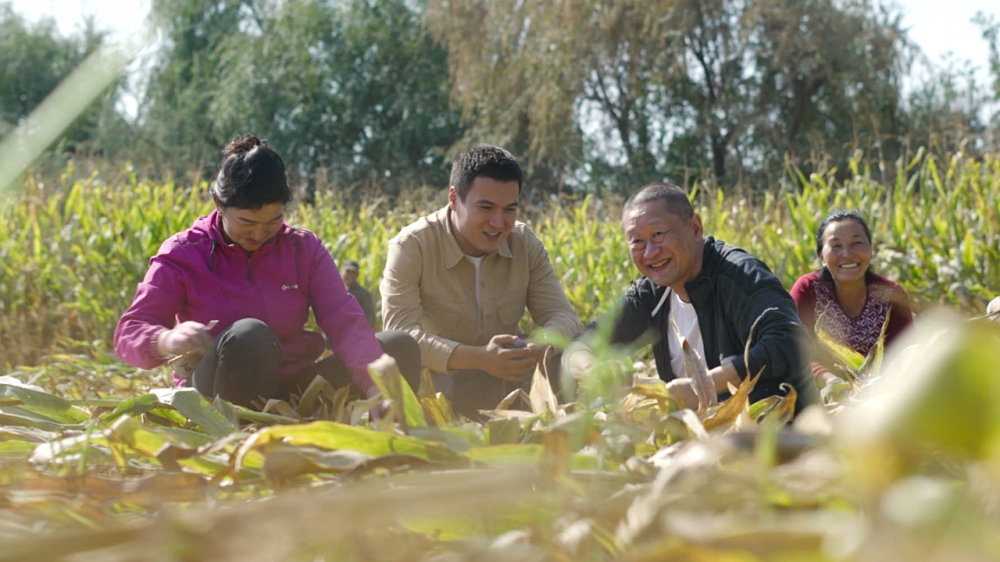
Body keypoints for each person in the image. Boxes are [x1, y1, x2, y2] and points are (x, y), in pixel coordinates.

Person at [114, 135, 420, 409]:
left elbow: (344, 322)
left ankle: (379, 426)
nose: (259, 233)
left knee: (397, 349)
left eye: (273, 221)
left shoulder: (304, 249)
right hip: (217, 394)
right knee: (250, 335)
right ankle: (241, 438)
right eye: (247, 222)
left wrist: (377, 387)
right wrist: (166, 339)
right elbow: (129, 333)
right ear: (218, 205)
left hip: (291, 389)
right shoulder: (183, 252)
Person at [563, 182, 819, 412]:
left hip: (776, 434)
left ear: (695, 228)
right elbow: (581, 344)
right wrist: (591, 369)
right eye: (637, 242)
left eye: (658, 235)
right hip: (701, 441)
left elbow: (791, 342)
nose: (650, 252)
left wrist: (704, 385)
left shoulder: (740, 275)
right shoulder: (650, 295)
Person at [380, 144, 581, 417]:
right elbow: (402, 335)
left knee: (576, 350)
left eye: (510, 209)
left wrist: (535, 348)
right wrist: (479, 358)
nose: (498, 222)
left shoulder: (525, 244)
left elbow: (564, 317)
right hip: (438, 388)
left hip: (507, 384)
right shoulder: (412, 245)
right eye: (486, 207)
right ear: (454, 198)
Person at [789, 210, 913, 388]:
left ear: (871, 250)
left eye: (857, 243)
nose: (847, 253)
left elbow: (907, 354)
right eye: (836, 246)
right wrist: (829, 382)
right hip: (819, 394)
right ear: (821, 257)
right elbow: (794, 350)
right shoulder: (808, 290)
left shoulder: (891, 294)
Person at [341, 259, 376, 328]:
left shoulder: (363, 294)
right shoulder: (335, 291)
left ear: (357, 275)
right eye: (348, 272)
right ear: (342, 272)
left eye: (353, 273)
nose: (350, 275)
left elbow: (370, 317)